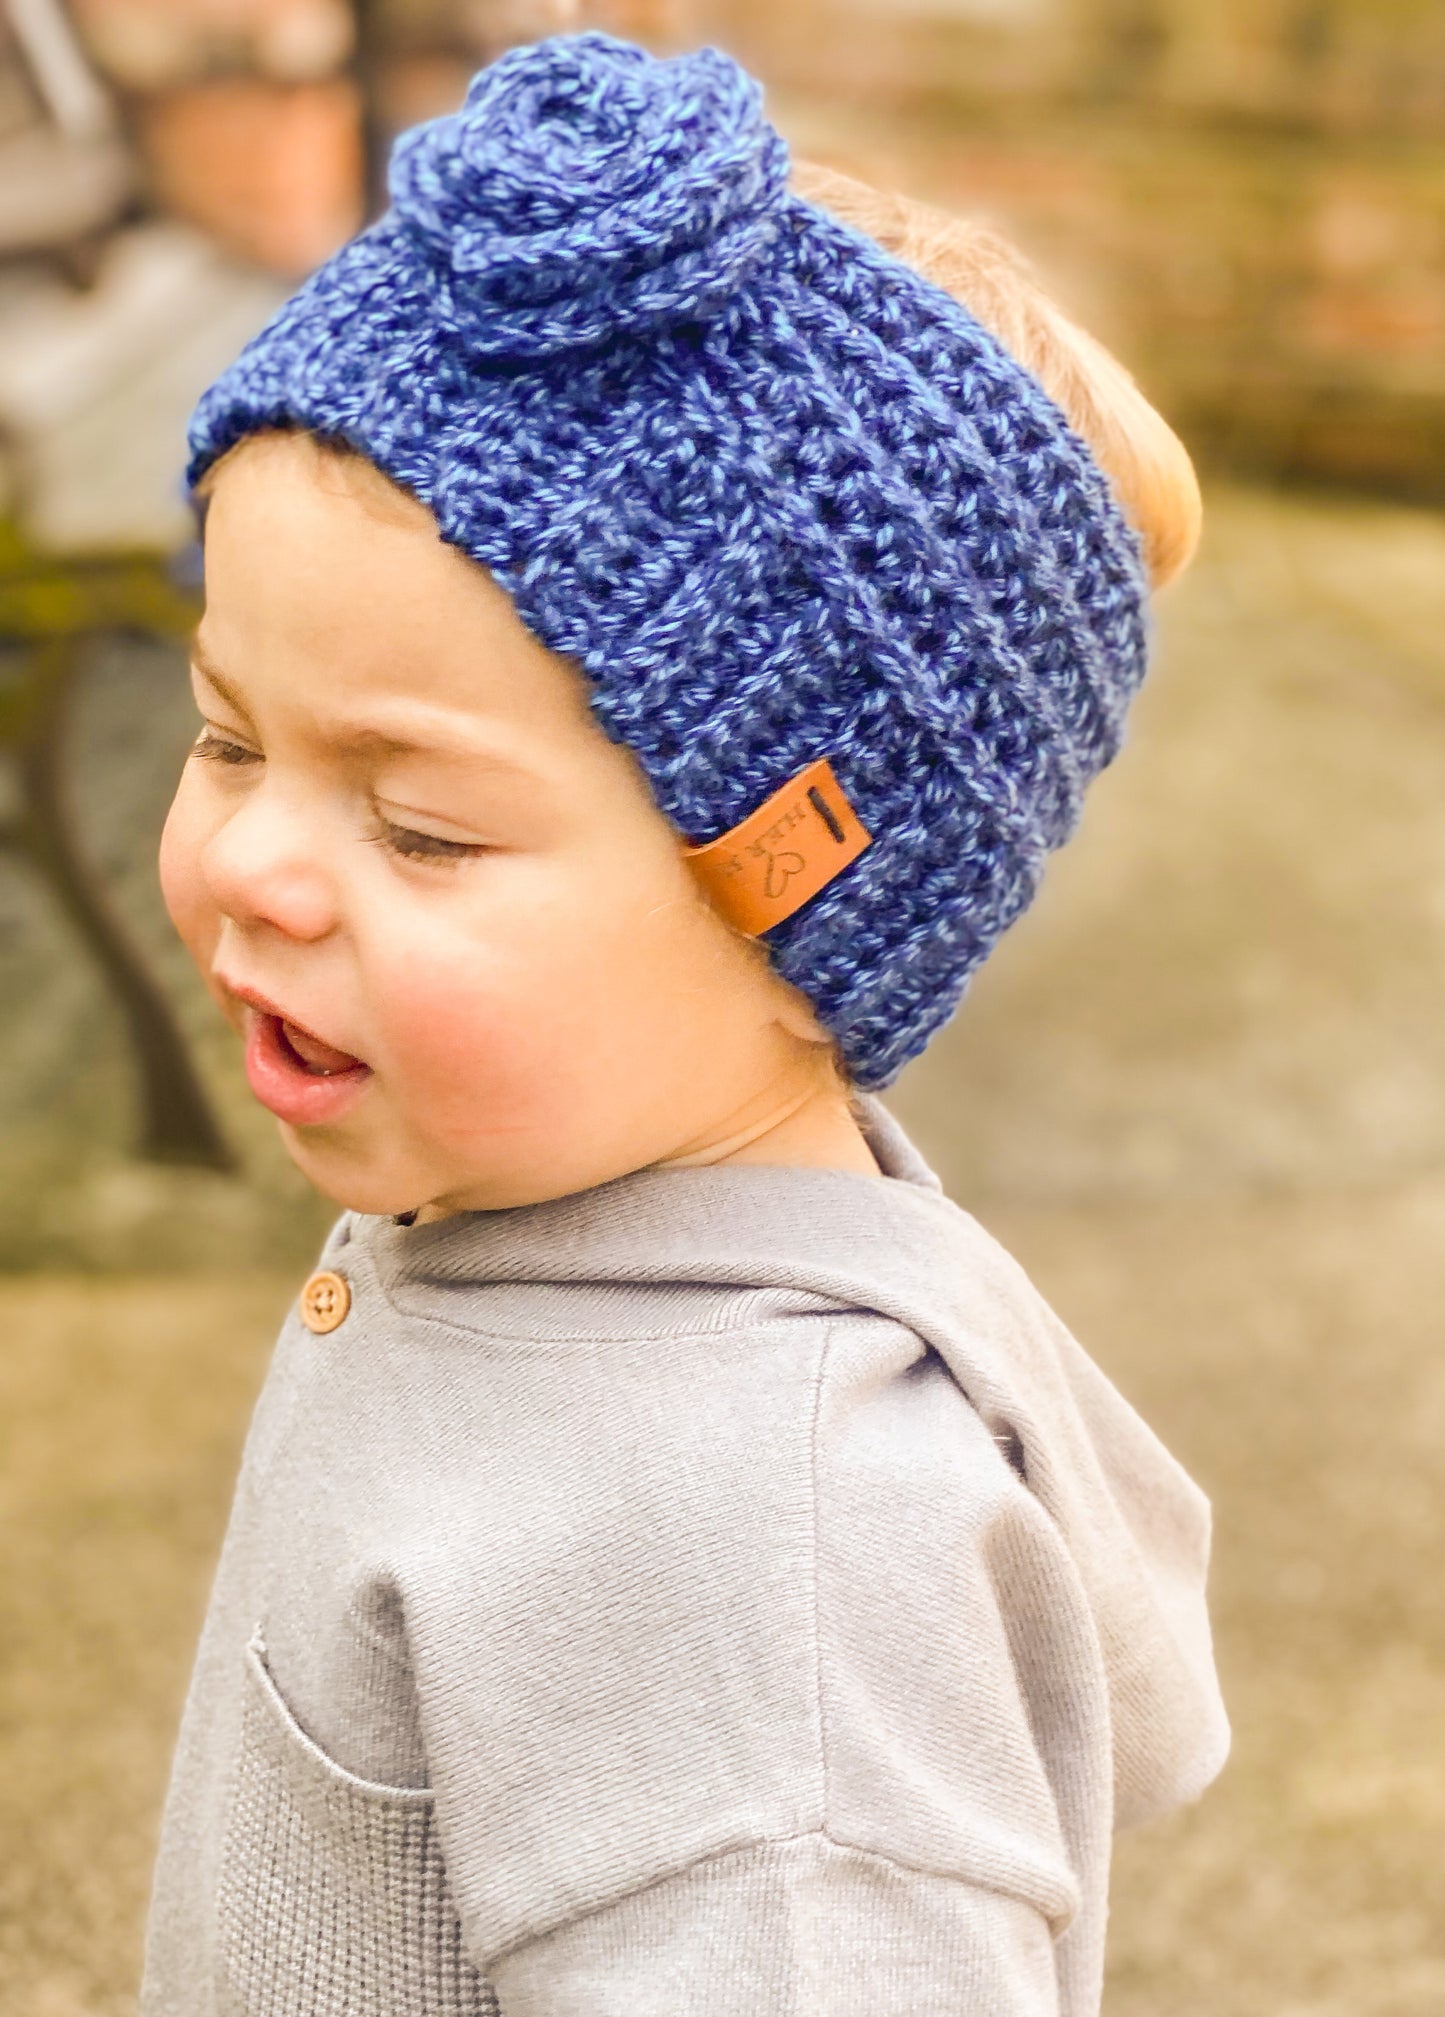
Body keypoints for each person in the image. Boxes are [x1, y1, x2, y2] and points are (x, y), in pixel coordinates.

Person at [140, 31, 1229, 2017]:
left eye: (424, 825)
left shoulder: (777, 1572)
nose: (258, 866)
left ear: (802, 895)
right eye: (225, 734)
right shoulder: (521, 1185)